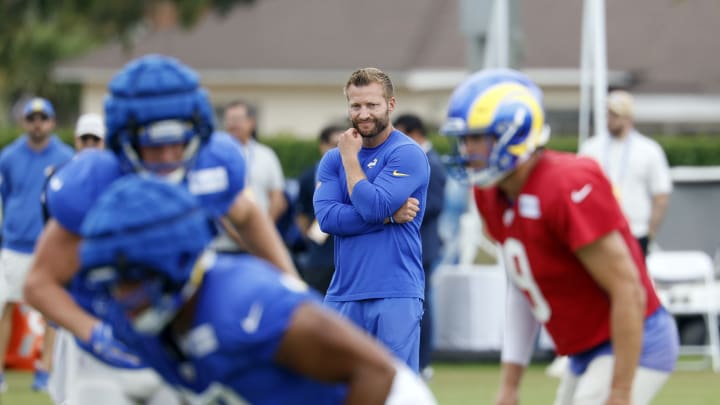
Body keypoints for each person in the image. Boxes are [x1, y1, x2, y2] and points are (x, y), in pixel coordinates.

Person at [24, 54, 297, 405]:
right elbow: (39, 284)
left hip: (181, 345)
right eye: (153, 144)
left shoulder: (211, 165)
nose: (168, 156)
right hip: (105, 352)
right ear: (126, 137)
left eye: (178, 142)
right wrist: (96, 333)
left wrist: (289, 282)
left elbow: (247, 214)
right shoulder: (93, 183)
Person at [74, 174, 437, 405]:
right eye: (113, 283)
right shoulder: (138, 320)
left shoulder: (244, 304)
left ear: (178, 261)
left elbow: (376, 373)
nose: (123, 296)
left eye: (133, 279)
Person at [439, 69, 679, 405]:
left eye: (477, 138)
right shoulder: (490, 193)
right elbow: (523, 287)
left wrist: (622, 390)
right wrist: (510, 383)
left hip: (634, 341)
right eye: (464, 140)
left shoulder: (566, 184)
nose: (467, 150)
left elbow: (628, 288)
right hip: (584, 348)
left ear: (516, 134)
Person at [314, 67, 430, 372]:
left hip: (396, 291)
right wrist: (389, 217)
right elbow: (327, 219)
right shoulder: (330, 159)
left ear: (390, 105)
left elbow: (372, 206)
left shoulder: (407, 153)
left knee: (394, 391)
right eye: (356, 105)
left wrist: (351, 160)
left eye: (372, 105)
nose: (363, 113)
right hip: (343, 293)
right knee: (335, 390)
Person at [0, 97, 74, 392]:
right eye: (32, 118)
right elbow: (5, 196)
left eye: (43, 118)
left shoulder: (66, 155)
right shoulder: (8, 156)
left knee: (51, 311)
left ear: (52, 122)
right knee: (6, 306)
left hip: (49, 244)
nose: (38, 124)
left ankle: (45, 371)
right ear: (25, 122)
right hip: (14, 244)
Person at [579, 90, 672, 256]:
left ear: (629, 117)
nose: (610, 119)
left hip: (636, 231)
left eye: (615, 115)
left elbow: (661, 195)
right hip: (599, 232)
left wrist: (650, 232)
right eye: (608, 113)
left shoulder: (649, 149)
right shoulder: (591, 148)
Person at [393, 113, 447, 379]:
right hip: (416, 245)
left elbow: (435, 205)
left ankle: (422, 362)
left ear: (414, 134)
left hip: (423, 246)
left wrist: (400, 211)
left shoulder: (431, 162)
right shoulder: (423, 159)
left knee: (421, 307)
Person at [295, 124, 343, 295]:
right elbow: (300, 213)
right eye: (333, 144)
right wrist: (310, 236)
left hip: (347, 255)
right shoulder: (309, 176)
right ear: (322, 145)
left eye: (342, 144)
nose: (338, 149)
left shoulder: (355, 173)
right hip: (319, 256)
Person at [223, 100, 287, 222]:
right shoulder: (217, 155)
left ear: (251, 122)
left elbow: (277, 198)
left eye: (237, 119)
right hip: (223, 236)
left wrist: (264, 229)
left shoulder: (266, 155)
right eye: (229, 119)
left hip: (260, 233)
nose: (232, 124)